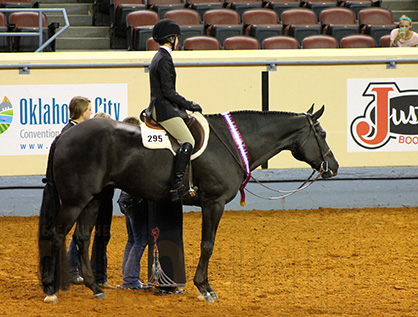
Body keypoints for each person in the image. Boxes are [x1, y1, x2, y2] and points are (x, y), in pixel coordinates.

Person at [145, 19, 203, 202]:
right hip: (162, 108)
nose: (179, 42)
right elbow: (168, 92)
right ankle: (176, 185)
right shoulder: (164, 59)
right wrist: (190, 104)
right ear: (171, 39)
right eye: (177, 38)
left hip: (163, 105)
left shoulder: (159, 57)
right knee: (188, 140)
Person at [65, 105, 114, 288]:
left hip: (100, 197)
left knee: (95, 233)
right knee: (85, 232)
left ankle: (93, 273)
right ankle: (78, 270)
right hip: (94, 197)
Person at [116, 116, 150, 290]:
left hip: (126, 199)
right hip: (136, 200)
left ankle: (128, 279)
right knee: (140, 240)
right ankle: (130, 280)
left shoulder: (122, 151)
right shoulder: (136, 151)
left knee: (132, 240)